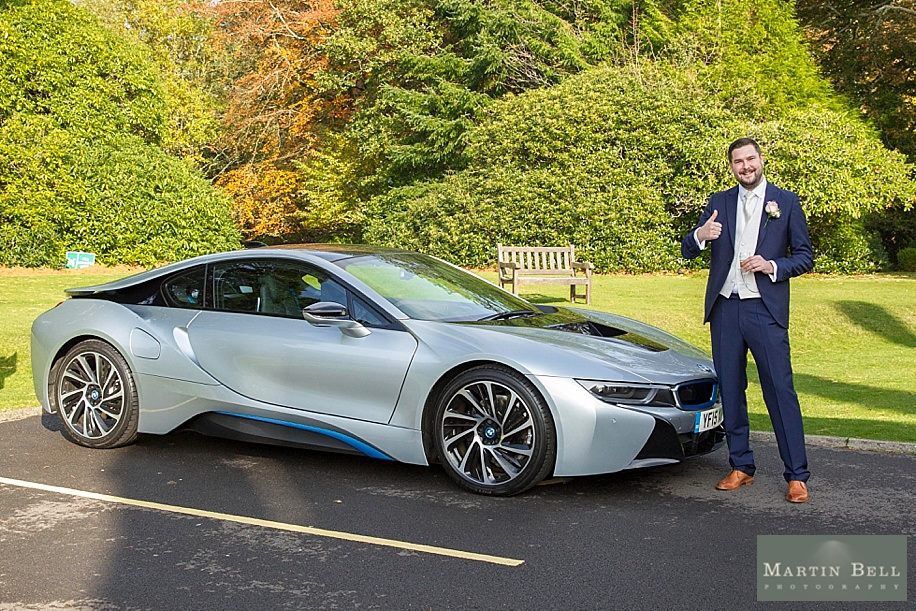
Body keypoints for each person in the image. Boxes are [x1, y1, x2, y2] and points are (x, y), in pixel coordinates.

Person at [681, 137, 813, 503]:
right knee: (731, 391)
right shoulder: (718, 202)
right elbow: (687, 248)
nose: (745, 166)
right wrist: (700, 235)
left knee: (780, 391)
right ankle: (741, 465)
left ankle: (797, 476)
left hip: (764, 310)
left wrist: (771, 266)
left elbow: (804, 256)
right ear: (732, 167)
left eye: (750, 159)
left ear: (761, 160)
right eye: (738, 162)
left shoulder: (785, 202)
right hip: (725, 309)